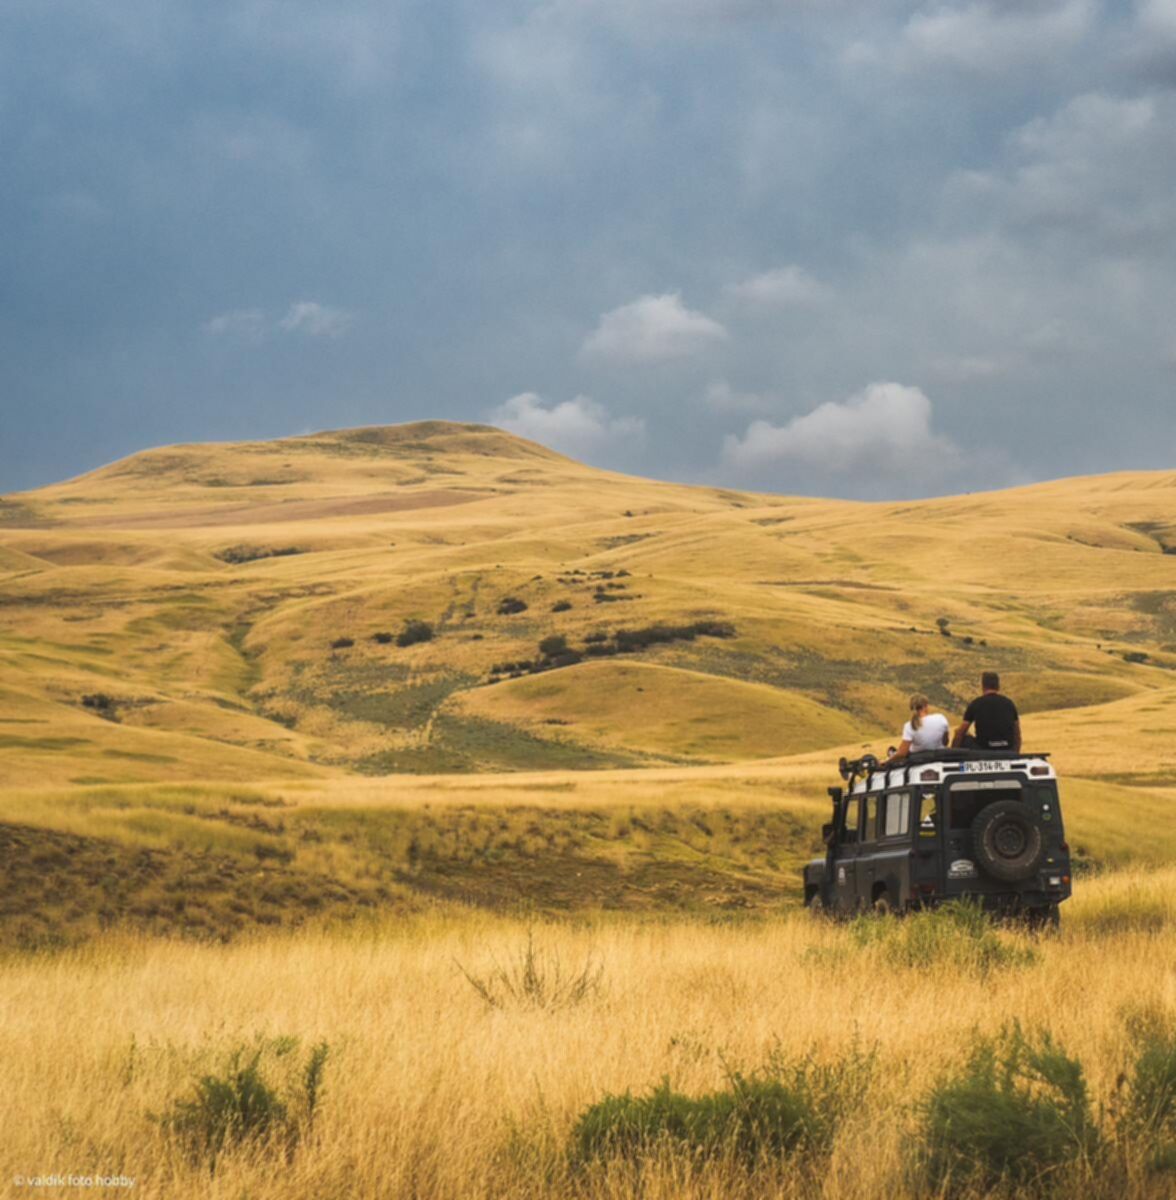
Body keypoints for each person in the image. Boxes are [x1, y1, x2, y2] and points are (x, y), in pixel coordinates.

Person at [953, 671, 1021, 752]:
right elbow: (1017, 734)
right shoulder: (1009, 704)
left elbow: (961, 732)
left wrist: (953, 751)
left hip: (984, 749)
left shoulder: (976, 704)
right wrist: (1015, 754)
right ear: (998, 686)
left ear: (983, 686)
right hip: (1006, 748)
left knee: (964, 737)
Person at [882, 694, 950, 765]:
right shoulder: (941, 718)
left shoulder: (909, 726)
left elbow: (902, 753)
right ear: (925, 706)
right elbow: (945, 742)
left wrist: (886, 762)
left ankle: (892, 754)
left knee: (897, 752)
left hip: (917, 759)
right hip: (939, 757)